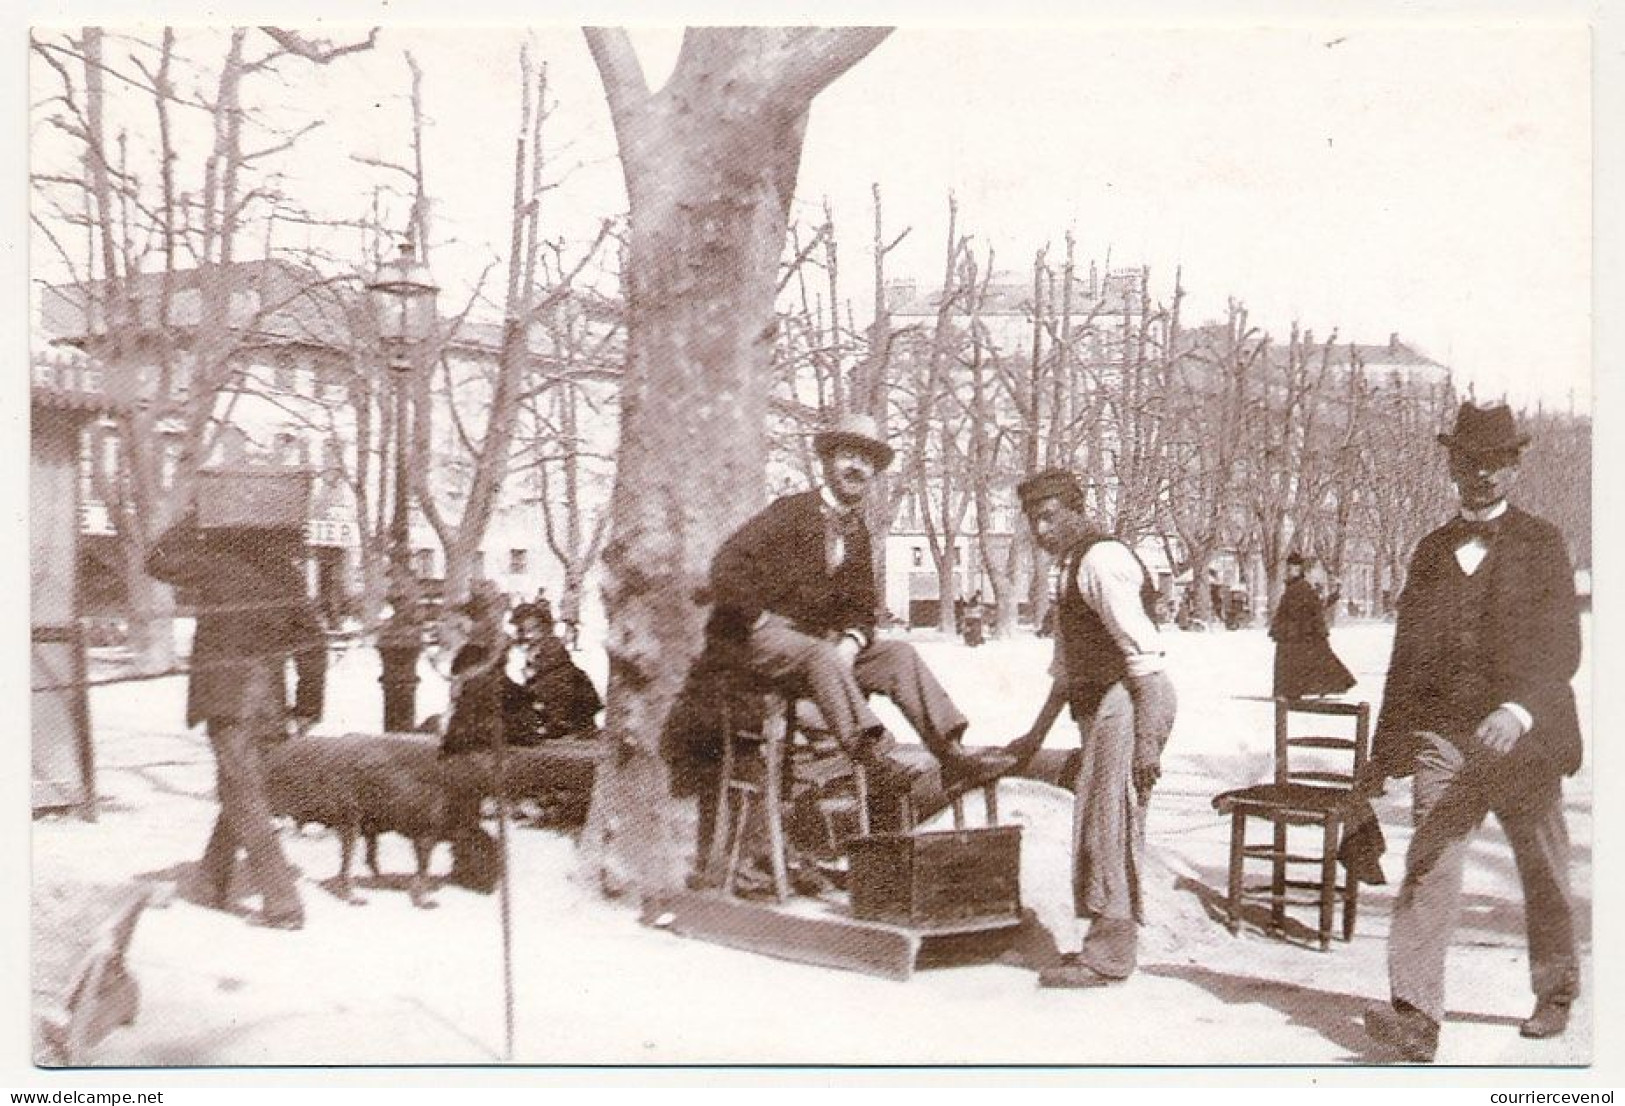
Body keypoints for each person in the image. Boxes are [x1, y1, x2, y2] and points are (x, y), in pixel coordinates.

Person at [1361, 403, 1583, 1062]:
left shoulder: (1541, 543)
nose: (1480, 474)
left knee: (1541, 868)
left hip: (1523, 737)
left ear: (1513, 467)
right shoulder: (1429, 551)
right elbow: (1405, 653)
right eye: (1467, 462)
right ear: (1451, 467)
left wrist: (1517, 712)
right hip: (1443, 735)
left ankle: (1555, 990)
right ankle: (1415, 1013)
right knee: (1429, 861)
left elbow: (1560, 646)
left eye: (1493, 462)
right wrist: (1384, 752)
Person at [704, 412, 1014, 797]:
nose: (857, 467)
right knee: (819, 655)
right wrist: (754, 618)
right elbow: (727, 564)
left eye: (867, 461)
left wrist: (852, 640)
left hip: (821, 649)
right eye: (848, 456)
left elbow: (862, 608)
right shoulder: (790, 512)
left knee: (897, 655)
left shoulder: (858, 532)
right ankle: (870, 756)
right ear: (827, 461)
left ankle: (950, 753)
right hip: (765, 643)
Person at [1001, 469, 1178, 987]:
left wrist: (1146, 745)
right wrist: (1033, 737)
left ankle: (1109, 957)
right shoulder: (1068, 568)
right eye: (1033, 519)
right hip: (1104, 702)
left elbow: (1144, 657)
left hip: (1133, 698)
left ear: (1078, 510)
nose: (1041, 529)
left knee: (1112, 825)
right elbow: (1066, 671)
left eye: (1051, 516)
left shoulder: (1102, 560)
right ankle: (1105, 944)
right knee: (1097, 823)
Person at [145, 514, 327, 931]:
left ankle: (283, 903)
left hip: (229, 696)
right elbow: (314, 643)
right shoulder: (287, 576)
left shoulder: (215, 562)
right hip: (271, 700)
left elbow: (155, 562)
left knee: (244, 795)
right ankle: (211, 881)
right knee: (242, 786)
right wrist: (308, 705)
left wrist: (190, 516)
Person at [1269, 551, 1356, 699]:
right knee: (1298, 659)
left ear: (1299, 570)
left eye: (1292, 569)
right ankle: (1289, 689)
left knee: (1308, 659)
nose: (1289, 572)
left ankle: (1292, 690)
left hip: (1299, 632)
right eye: (1288, 569)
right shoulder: (1294, 587)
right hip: (1292, 632)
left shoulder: (1302, 587)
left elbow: (1315, 607)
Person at [512, 601, 603, 739]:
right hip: (559, 692)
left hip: (569, 697)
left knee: (554, 684)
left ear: (541, 626)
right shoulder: (533, 647)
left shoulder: (551, 644)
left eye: (532, 629)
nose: (527, 635)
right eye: (523, 630)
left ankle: (561, 723)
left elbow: (555, 668)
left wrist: (534, 673)